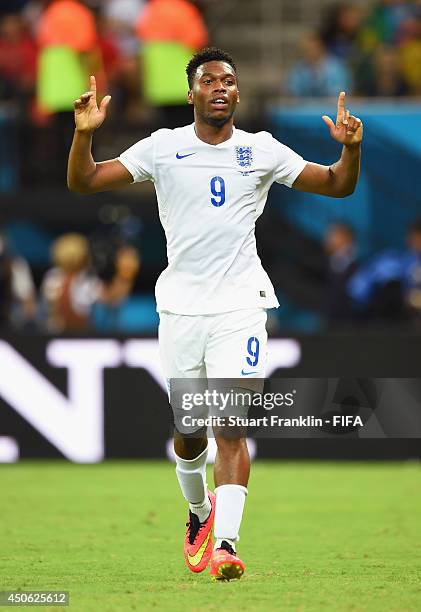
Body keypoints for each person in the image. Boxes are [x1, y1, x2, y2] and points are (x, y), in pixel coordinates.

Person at [67, 46, 363, 580]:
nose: (220, 87)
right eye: (209, 80)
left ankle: (225, 544)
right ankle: (199, 512)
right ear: (191, 94)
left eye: (229, 79)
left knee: (230, 425)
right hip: (181, 306)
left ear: (237, 91)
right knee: (189, 434)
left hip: (240, 306)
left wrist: (350, 153)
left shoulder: (262, 150)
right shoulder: (162, 148)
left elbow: (338, 184)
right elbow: (84, 181)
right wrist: (85, 133)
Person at [324, 222, 359, 325]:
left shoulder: (356, 269)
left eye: (333, 235)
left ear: (345, 238)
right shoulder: (329, 264)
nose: (328, 239)